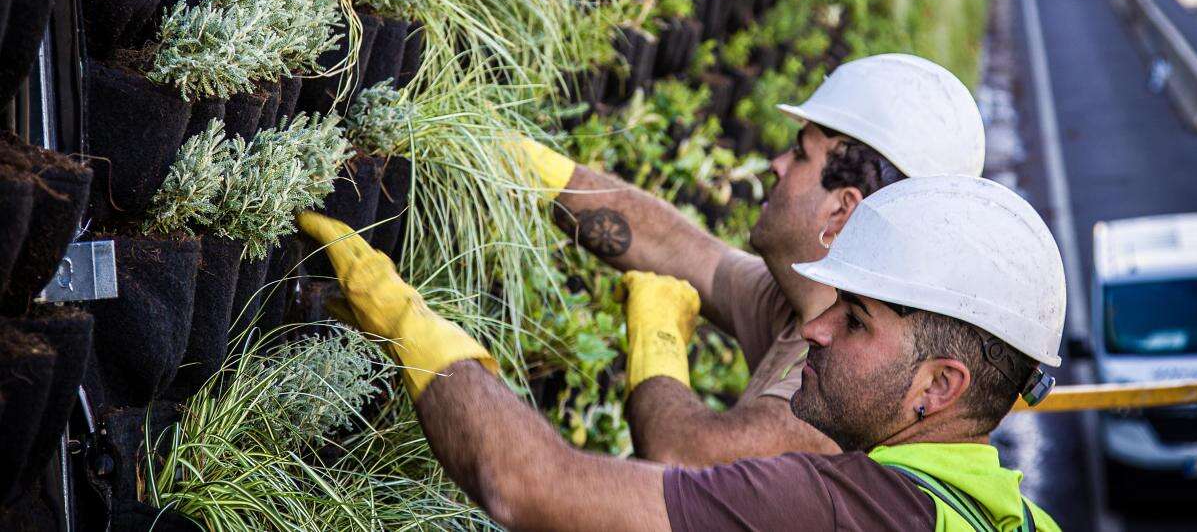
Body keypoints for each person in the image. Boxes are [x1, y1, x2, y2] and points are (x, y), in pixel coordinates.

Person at [298, 173, 1066, 531]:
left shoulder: (835, 506)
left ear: (938, 384)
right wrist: (535, 173)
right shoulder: (1019, 521)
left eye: (856, 321)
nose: (819, 332)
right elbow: (693, 253)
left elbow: (526, 484)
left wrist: (415, 328)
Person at [517, 53, 987, 464]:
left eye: (800, 154)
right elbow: (679, 249)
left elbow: (683, 457)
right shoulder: (801, 305)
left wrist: (655, 335)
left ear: (843, 209)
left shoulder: (844, 387)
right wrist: (537, 174)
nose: (777, 164)